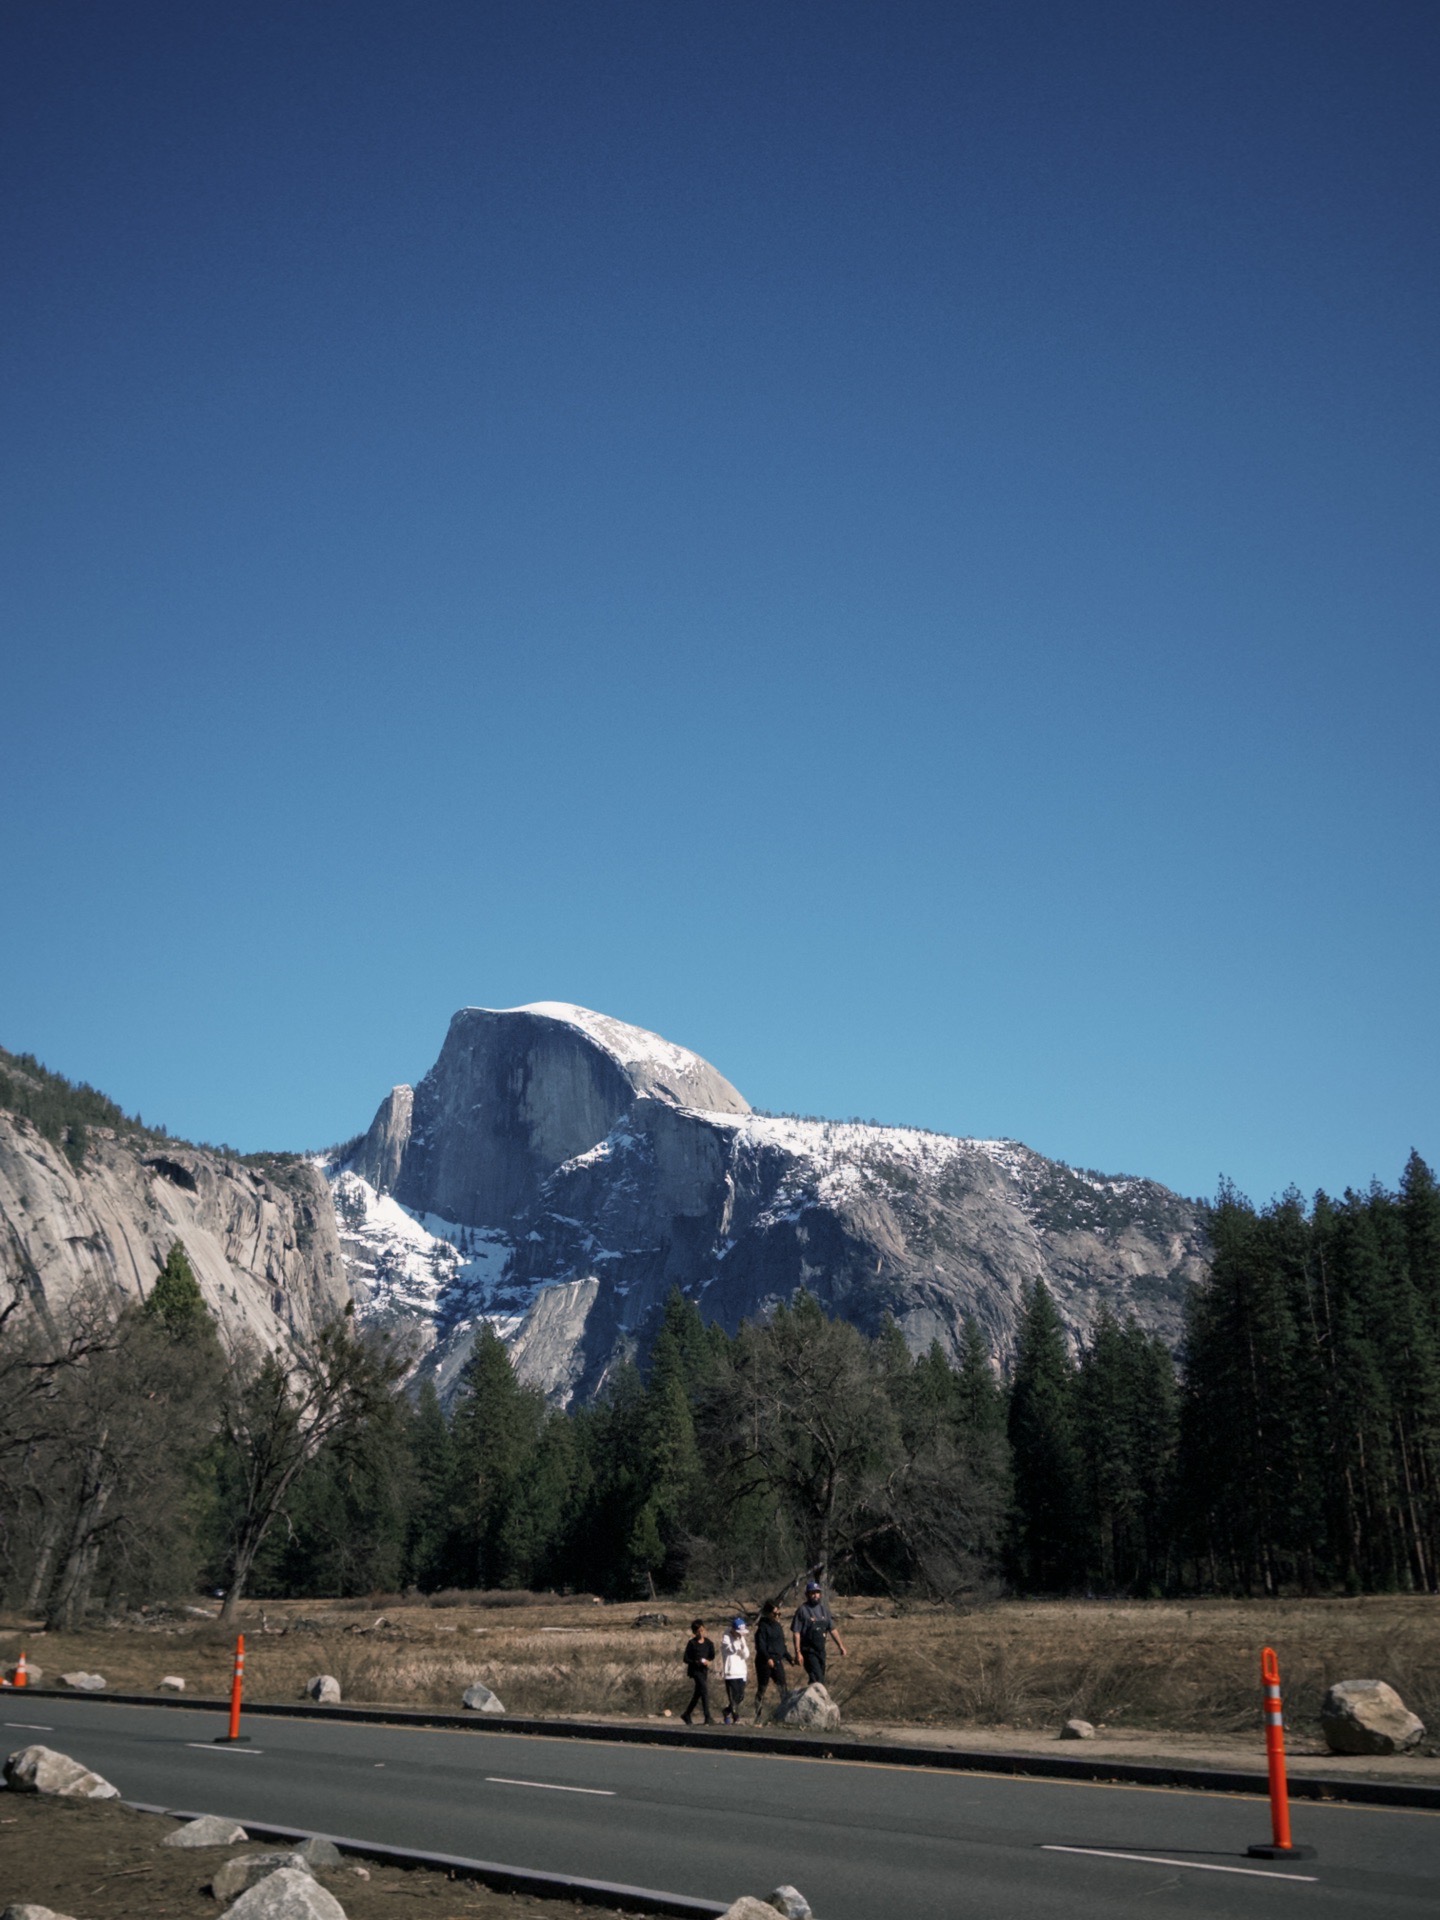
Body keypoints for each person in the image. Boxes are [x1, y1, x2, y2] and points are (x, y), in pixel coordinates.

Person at [791, 1579, 847, 1684]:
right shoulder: (802, 1610)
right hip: (808, 1651)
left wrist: (840, 1646)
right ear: (807, 1594)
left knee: (819, 1679)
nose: (815, 1595)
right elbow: (796, 1633)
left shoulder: (824, 1610)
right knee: (817, 1678)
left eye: (817, 1592)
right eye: (812, 1593)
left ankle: (812, 1698)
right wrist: (798, 1652)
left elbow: (832, 1629)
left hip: (821, 1651)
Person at [753, 1599, 789, 1721]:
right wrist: (767, 1658)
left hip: (777, 1660)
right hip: (764, 1661)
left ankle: (786, 1714)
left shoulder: (778, 1627)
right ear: (768, 1613)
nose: (777, 1616)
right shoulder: (762, 1627)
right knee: (762, 1688)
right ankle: (758, 1715)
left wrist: (789, 1658)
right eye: (775, 1614)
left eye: (779, 1614)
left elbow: (782, 1646)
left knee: (783, 1687)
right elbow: (760, 1646)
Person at [681, 1618, 716, 1724]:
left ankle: (687, 1714)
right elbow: (686, 1659)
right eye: (698, 1631)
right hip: (695, 1671)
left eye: (702, 1630)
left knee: (698, 1693)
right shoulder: (692, 1643)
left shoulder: (709, 1643)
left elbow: (712, 1656)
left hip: (704, 1670)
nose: (701, 1633)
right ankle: (707, 1716)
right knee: (704, 1690)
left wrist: (708, 1662)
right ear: (694, 1632)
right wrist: (697, 1662)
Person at [720, 1616, 749, 1723]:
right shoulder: (726, 1638)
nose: (740, 1634)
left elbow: (746, 1654)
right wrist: (738, 1643)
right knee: (732, 1698)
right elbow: (731, 1649)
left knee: (740, 1696)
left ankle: (726, 1711)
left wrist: (743, 1646)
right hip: (731, 1672)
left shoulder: (741, 1638)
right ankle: (735, 1717)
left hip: (741, 1671)